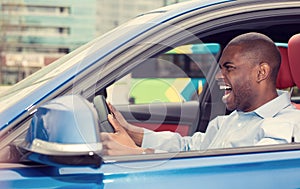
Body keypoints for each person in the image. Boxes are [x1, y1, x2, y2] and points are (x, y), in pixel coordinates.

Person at [100, 32, 300, 156]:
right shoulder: (230, 121)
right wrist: (131, 132)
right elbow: (190, 149)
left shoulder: (287, 125)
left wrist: (138, 154)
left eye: (229, 68)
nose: (219, 77)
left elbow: (244, 174)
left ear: (261, 72)